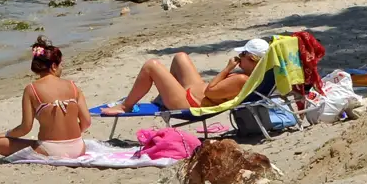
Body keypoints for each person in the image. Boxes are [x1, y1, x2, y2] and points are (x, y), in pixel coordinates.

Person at [99, 38, 268, 116]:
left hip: (188, 103)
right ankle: (163, 98)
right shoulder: (251, 77)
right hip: (192, 93)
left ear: (252, 59)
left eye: (243, 55)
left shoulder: (242, 80)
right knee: (181, 57)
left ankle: (125, 106)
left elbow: (210, 92)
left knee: (152, 65)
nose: (239, 58)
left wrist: (227, 68)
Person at [0, 37, 92, 158]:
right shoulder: (73, 86)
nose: (62, 68)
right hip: (78, 148)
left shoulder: (31, 89)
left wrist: (7, 134)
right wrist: (69, 137)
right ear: (54, 66)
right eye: (61, 64)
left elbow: (25, 128)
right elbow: (86, 122)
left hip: (50, 149)